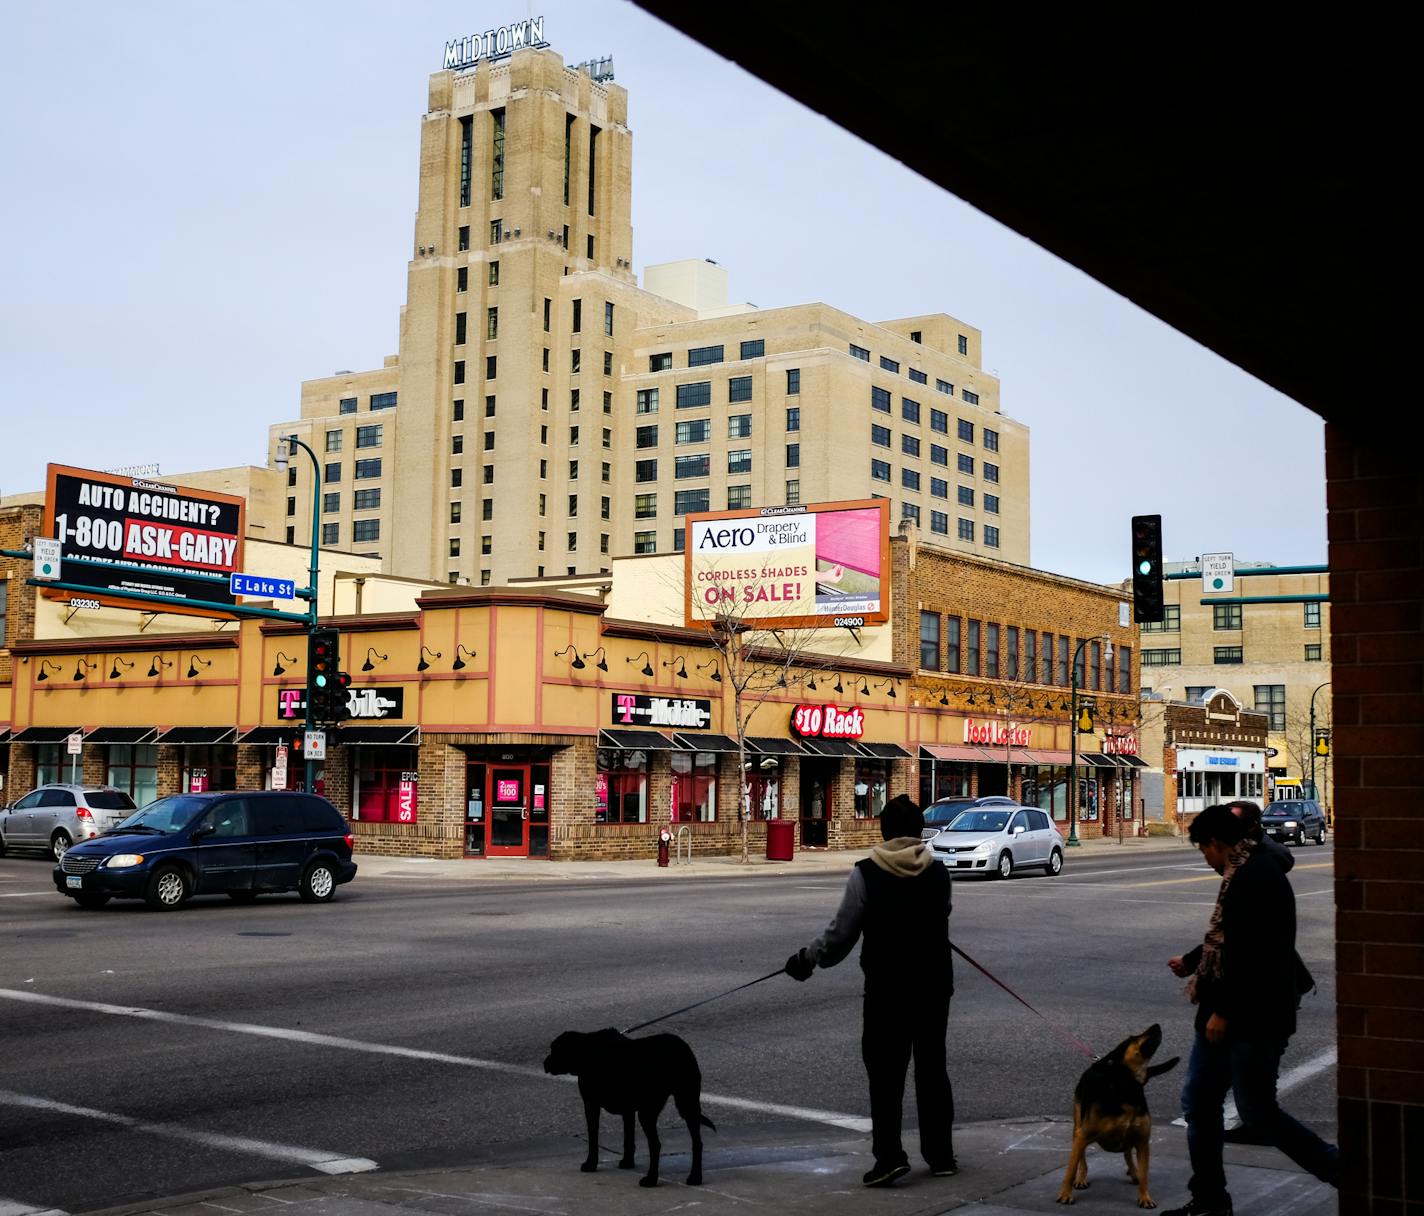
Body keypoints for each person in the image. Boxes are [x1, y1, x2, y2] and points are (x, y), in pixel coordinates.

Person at [1161, 804, 1338, 1216]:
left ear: (1218, 844)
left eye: (1203, 850)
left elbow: (1258, 951)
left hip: (1250, 1017)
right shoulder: (1246, 870)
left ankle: (1340, 1169)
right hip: (1232, 1014)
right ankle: (1209, 1200)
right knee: (1201, 1103)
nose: (1204, 859)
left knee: (1257, 1111)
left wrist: (1224, 1008)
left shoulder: (1256, 876)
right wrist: (1192, 961)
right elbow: (1229, 937)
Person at [784, 794, 955, 1187]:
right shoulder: (939, 873)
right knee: (932, 1071)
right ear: (918, 832)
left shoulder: (866, 873)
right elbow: (942, 916)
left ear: (884, 830)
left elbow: (840, 933)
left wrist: (808, 960)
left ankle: (890, 1157)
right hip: (933, 987)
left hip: (887, 989)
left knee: (886, 1076)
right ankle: (941, 1155)